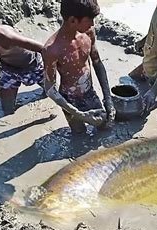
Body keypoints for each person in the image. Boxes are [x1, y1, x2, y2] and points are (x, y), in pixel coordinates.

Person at [42, 0, 115, 134]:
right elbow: (50, 89)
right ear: (73, 20)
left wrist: (108, 98)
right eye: (90, 19)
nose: (93, 24)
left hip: (89, 93)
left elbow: (97, 63)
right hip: (69, 99)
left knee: (106, 126)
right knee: (79, 134)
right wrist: (79, 114)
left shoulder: (88, 33)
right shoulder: (52, 49)